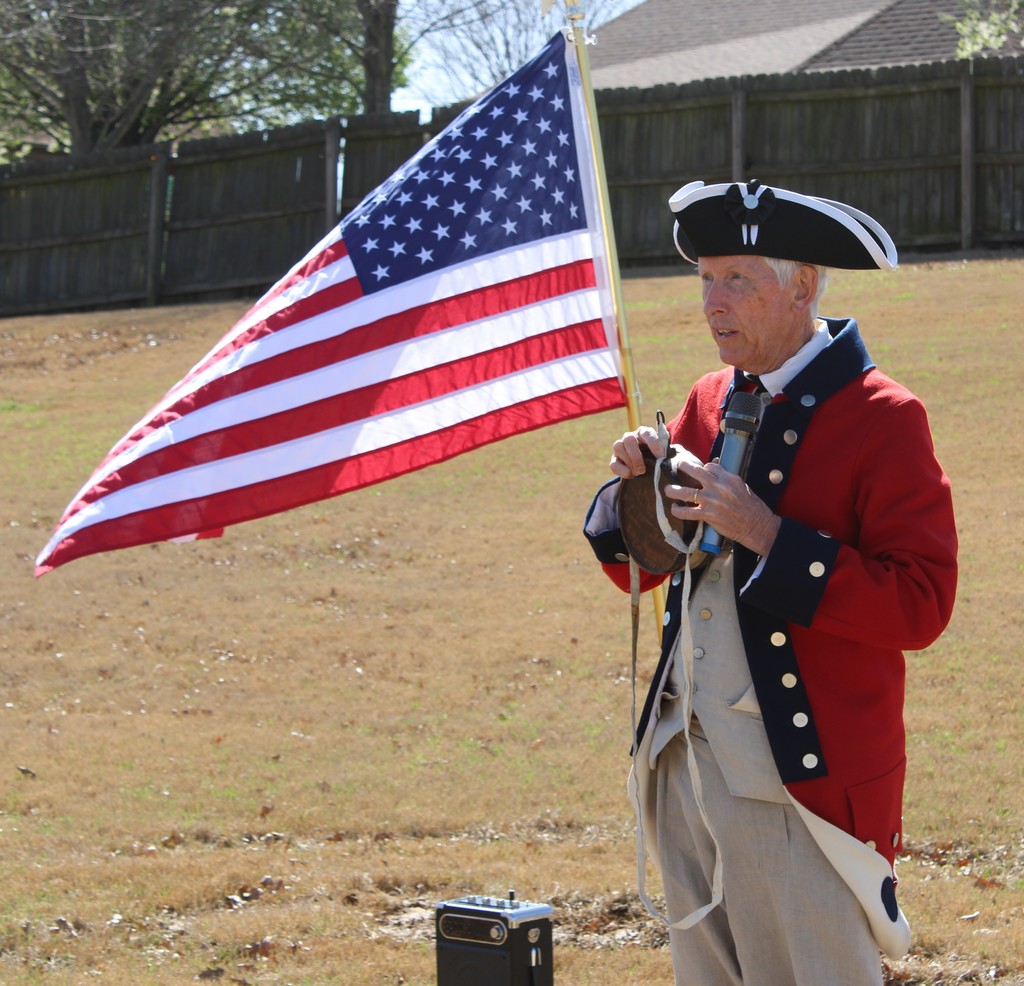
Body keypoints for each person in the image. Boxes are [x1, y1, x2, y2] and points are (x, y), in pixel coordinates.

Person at [583, 179, 958, 985]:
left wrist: (769, 535)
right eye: (706, 279)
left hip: (801, 779)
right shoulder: (708, 397)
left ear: (803, 285)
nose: (713, 303)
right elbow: (641, 567)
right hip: (682, 759)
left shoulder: (885, 415)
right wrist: (634, 494)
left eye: (738, 280)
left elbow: (921, 603)